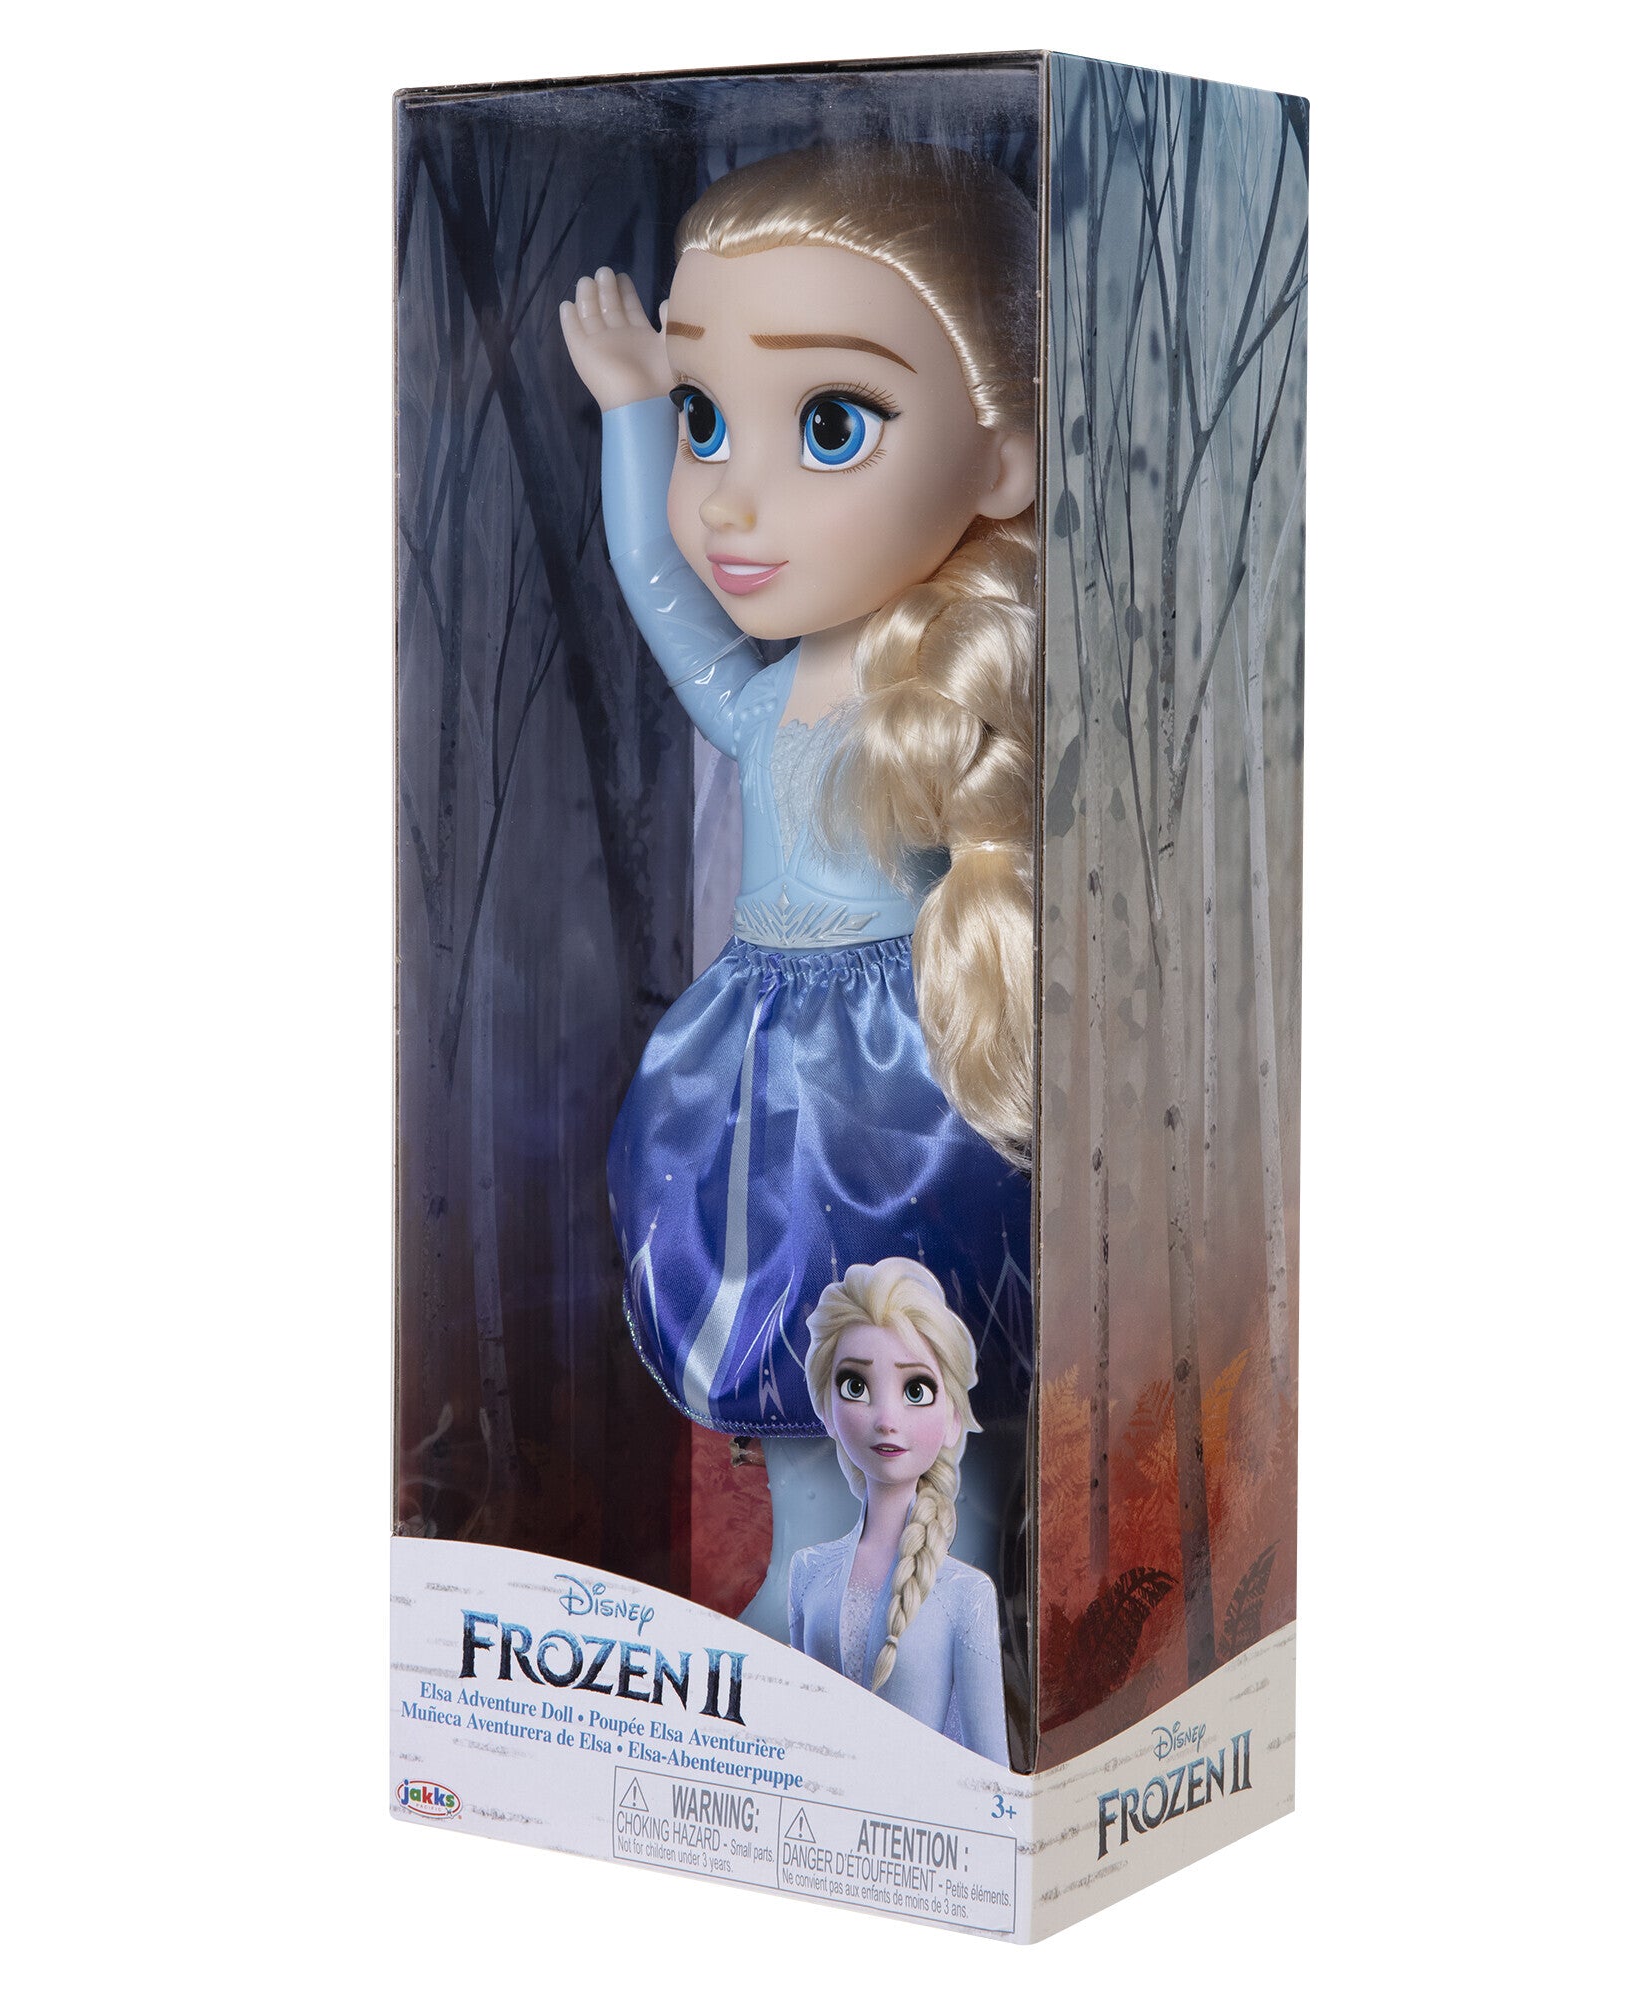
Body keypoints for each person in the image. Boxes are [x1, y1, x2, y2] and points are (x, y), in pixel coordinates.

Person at [558, 145, 1037, 1628]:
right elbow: (657, 583)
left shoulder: (944, 706)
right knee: (795, 1373)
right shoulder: (765, 701)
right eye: (708, 419)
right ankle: (807, 1610)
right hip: (757, 1083)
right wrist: (633, 410)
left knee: (928, 1391)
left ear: (1002, 462)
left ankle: (943, 1625)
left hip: (905, 1084)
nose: (730, 503)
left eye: (830, 424)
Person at [788, 1258, 1008, 1765]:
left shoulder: (967, 1596)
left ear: (953, 1420)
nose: (887, 1419)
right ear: (828, 1410)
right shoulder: (808, 1573)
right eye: (855, 1386)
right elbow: (797, 1738)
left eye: (915, 1391)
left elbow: (991, 1772)